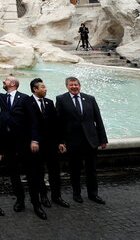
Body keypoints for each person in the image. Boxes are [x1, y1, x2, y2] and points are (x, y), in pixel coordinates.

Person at [0, 67, 45, 220]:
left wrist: (35, 140)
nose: (4, 81)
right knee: (13, 174)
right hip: (8, 143)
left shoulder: (26, 98)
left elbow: (34, 120)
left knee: (31, 173)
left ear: (13, 84)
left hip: (24, 142)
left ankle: (36, 204)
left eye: (6, 80)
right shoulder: (2, 97)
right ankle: (20, 200)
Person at [56, 77, 108, 205]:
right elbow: (59, 122)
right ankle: (76, 194)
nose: (74, 87)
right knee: (75, 170)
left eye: (76, 84)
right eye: (71, 85)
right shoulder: (61, 99)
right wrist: (61, 141)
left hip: (90, 141)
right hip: (73, 142)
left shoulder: (90, 98)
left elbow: (98, 119)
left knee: (92, 170)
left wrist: (103, 139)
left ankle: (93, 194)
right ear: (67, 86)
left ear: (80, 86)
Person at [29, 78, 70, 209]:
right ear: (35, 89)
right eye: (43, 87)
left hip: (51, 144)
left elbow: (56, 124)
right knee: (39, 172)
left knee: (55, 171)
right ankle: (43, 196)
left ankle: (56, 196)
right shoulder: (27, 103)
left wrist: (61, 142)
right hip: (36, 145)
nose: (46, 89)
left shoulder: (49, 102)